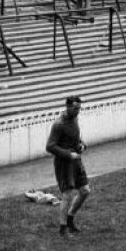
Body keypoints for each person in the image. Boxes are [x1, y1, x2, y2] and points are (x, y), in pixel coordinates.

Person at [45, 95, 90, 236]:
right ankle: (63, 228)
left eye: (79, 108)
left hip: (76, 160)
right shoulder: (59, 124)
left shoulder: (75, 119)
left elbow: (75, 137)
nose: (78, 111)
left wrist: (81, 144)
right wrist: (69, 154)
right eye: (75, 108)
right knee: (67, 194)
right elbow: (50, 146)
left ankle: (70, 220)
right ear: (68, 107)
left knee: (85, 191)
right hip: (64, 163)